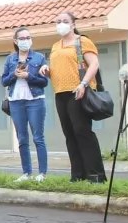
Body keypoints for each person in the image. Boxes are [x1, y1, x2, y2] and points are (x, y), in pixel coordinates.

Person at [40, 11, 106, 183]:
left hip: (78, 91)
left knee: (82, 131)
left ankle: (95, 174)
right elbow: (59, 69)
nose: (61, 24)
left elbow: (94, 64)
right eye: (58, 21)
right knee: (69, 133)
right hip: (60, 92)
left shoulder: (82, 41)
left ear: (73, 24)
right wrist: (47, 70)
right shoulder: (55, 46)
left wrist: (83, 83)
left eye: (65, 21)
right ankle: (77, 174)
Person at [1, 26, 49, 182]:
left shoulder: (39, 58)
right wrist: (14, 75)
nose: (26, 41)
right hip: (16, 102)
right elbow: (4, 81)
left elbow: (44, 82)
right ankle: (26, 172)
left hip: (35, 101)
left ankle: (42, 173)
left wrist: (29, 76)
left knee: (38, 137)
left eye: (28, 38)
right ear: (16, 41)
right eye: (22, 38)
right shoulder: (10, 59)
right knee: (22, 138)